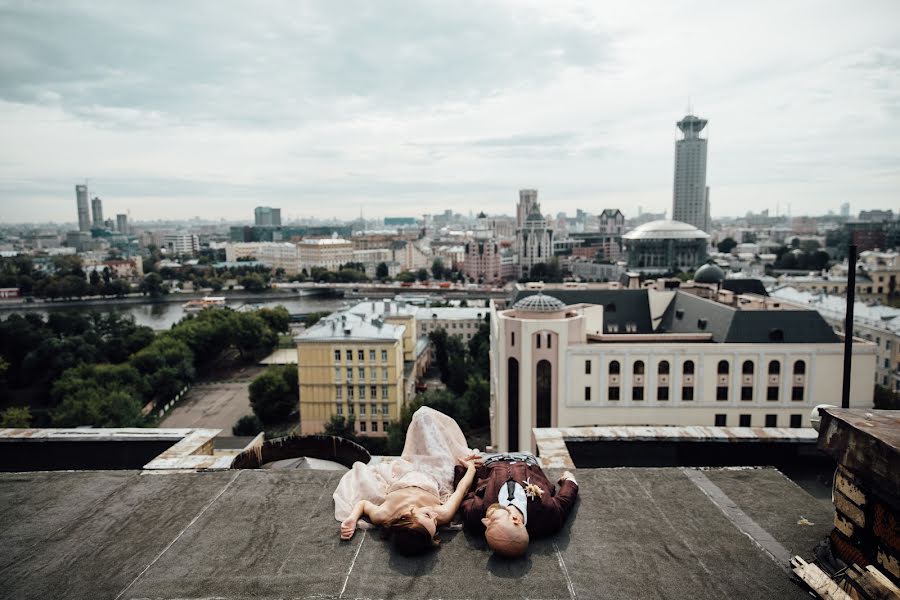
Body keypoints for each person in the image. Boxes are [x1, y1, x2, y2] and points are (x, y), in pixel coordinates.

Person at [333, 406, 479, 555]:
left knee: (421, 416)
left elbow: (362, 504)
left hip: (406, 470)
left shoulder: (383, 514)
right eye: (435, 524)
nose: (435, 517)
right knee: (424, 415)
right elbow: (462, 489)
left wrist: (352, 518)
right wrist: (471, 469)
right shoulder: (442, 514)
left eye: (428, 516)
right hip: (435, 473)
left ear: (406, 516)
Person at [453, 452, 578, 558]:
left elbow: (463, 496)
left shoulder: (476, 517)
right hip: (526, 459)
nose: (484, 521)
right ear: (515, 520)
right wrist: (569, 480)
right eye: (493, 521)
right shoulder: (547, 516)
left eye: (486, 527)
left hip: (488, 461)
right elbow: (565, 500)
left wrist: (463, 468)